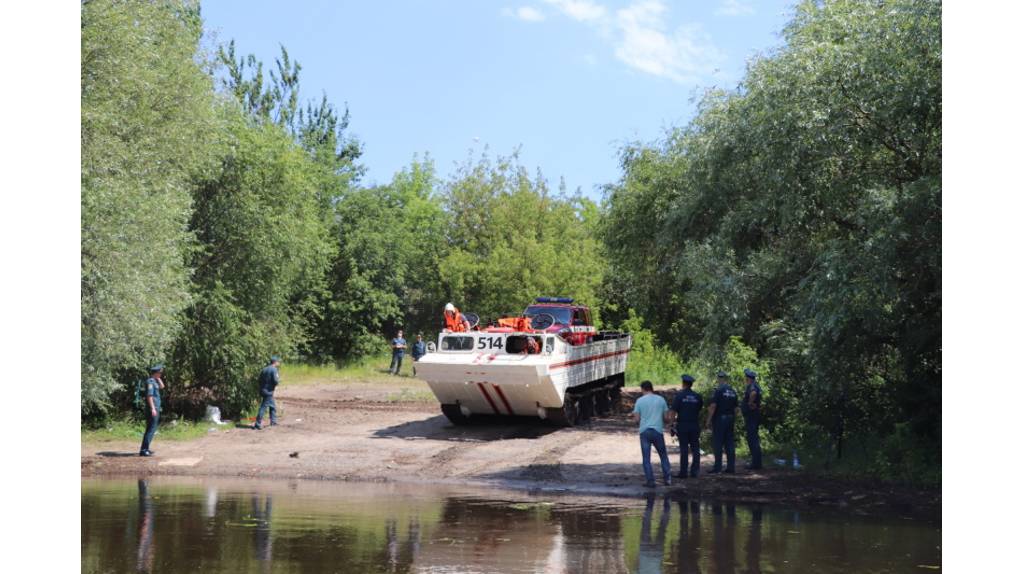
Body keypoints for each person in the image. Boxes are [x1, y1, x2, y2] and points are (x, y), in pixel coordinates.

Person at [632, 380, 672, 487]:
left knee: (646, 458)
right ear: (651, 388)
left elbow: (636, 419)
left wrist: (640, 422)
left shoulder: (639, 401)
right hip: (658, 431)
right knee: (663, 456)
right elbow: (666, 418)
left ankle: (650, 481)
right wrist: (665, 422)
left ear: (643, 389)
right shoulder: (661, 400)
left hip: (644, 432)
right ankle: (667, 479)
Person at [670, 374, 704, 478]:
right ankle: (695, 471)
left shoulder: (679, 396)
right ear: (691, 384)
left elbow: (673, 412)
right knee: (695, 448)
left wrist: (672, 424)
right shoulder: (698, 396)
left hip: (683, 425)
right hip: (694, 424)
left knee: (684, 449)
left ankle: (683, 472)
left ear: (683, 383)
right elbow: (699, 409)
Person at [705, 371, 738, 474]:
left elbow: (713, 406)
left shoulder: (718, 391)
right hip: (730, 418)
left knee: (718, 443)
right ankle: (731, 467)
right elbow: (737, 409)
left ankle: (717, 467)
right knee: (730, 443)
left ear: (719, 379)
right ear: (726, 379)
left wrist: (708, 420)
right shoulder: (733, 391)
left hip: (720, 419)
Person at [139, 364, 165, 456]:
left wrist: (158, 378)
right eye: (160, 373)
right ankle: (143, 450)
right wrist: (153, 408)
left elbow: (162, 386)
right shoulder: (150, 382)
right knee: (150, 429)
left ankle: (146, 448)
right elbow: (149, 396)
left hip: (156, 408)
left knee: (151, 429)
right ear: (156, 373)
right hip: (153, 409)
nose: (161, 374)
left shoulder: (154, 381)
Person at [742, 368, 763, 470]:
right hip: (754, 415)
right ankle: (756, 462)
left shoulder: (752, 386)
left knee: (752, 439)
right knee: (754, 438)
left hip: (752, 416)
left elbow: (753, 393)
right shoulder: (757, 385)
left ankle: (755, 464)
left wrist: (750, 403)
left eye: (746, 377)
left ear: (748, 378)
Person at [254, 356, 281, 430]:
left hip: (263, 390)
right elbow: (276, 381)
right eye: (278, 361)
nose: (279, 363)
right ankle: (257, 424)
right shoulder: (274, 369)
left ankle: (273, 421)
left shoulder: (264, 369)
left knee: (272, 407)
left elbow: (259, 380)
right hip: (268, 392)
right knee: (263, 407)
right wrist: (278, 382)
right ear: (275, 362)